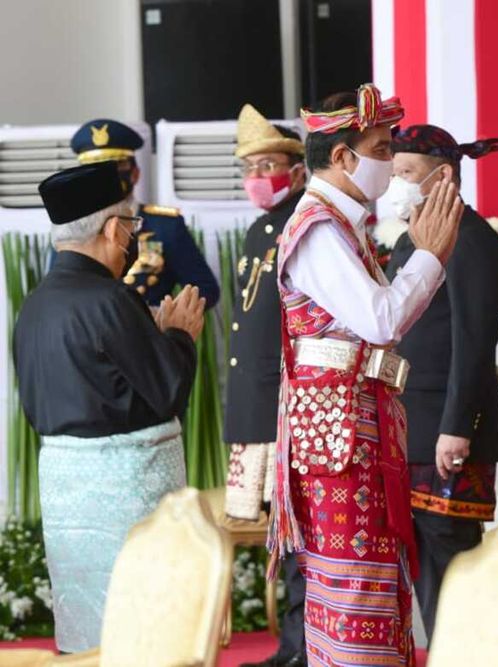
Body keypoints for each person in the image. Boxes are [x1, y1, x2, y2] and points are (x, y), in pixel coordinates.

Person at [269, 83, 463, 667]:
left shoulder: (339, 222)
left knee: (369, 577)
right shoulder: (321, 228)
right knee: (355, 586)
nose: (389, 164)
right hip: (338, 437)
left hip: (351, 426)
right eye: (381, 149)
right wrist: (428, 256)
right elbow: (381, 320)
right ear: (343, 158)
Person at [14, 161, 205, 652]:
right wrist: (180, 336)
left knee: (88, 629)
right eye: (132, 227)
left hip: (65, 491)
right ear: (115, 229)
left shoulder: (35, 305)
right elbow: (167, 392)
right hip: (126, 490)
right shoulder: (109, 300)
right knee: (140, 630)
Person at [383, 124, 498, 643]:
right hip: (407, 429)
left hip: (446, 432)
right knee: (421, 572)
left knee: (453, 569)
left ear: (444, 177)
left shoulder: (473, 240)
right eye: (393, 173)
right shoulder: (407, 240)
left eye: (407, 173)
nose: (396, 184)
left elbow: (474, 343)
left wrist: (456, 426)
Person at [223, 104, 309, 667]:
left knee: (300, 534)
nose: (259, 178)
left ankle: (302, 648)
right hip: (259, 407)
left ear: (297, 170)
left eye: (269, 165)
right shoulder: (260, 228)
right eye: (250, 168)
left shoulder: (306, 224)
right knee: (281, 533)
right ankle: (289, 646)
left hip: (289, 407)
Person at [69, 118, 220, 308]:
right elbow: (58, 286)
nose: (102, 180)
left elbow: (205, 290)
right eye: (92, 170)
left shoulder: (164, 226)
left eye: (114, 168)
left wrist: (159, 317)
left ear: (135, 173)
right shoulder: (71, 227)